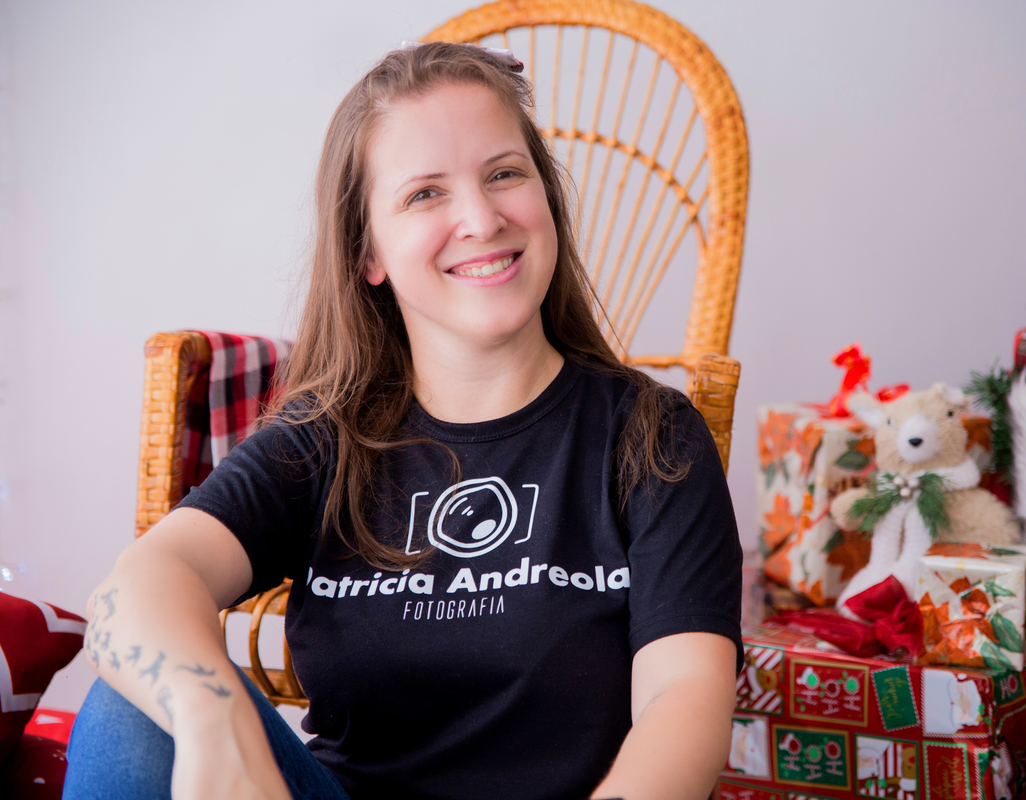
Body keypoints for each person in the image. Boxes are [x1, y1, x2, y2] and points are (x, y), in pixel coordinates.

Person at [63, 41, 742, 800]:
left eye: (504, 174)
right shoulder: (327, 442)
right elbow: (137, 587)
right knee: (132, 707)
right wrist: (207, 714)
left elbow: (685, 700)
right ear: (368, 253)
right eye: (426, 194)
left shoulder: (651, 438)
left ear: (545, 198)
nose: (481, 219)